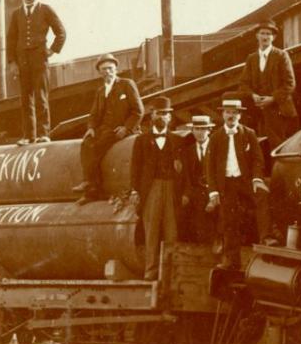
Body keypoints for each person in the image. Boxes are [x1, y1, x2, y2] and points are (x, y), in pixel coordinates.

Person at [205, 98, 270, 265]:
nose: (231, 116)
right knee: (229, 220)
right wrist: (213, 191)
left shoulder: (249, 134)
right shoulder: (215, 137)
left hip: (246, 180)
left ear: (240, 115)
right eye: (227, 112)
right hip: (226, 183)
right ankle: (232, 260)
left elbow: (258, 159)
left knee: (262, 196)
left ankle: (267, 238)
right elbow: (209, 166)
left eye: (234, 113)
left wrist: (256, 178)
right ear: (222, 114)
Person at [128, 96, 186, 279]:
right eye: (159, 113)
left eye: (166, 114)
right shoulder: (142, 140)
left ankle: (170, 272)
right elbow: (135, 167)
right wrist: (135, 190)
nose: (162, 117)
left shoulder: (178, 140)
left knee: (172, 231)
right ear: (152, 115)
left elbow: (185, 172)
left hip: (171, 189)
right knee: (151, 230)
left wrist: (183, 192)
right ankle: (151, 270)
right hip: (151, 188)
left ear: (170, 118)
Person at [5, 0, 66, 144]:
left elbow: (61, 32)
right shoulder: (16, 14)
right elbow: (11, 40)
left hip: (40, 60)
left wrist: (52, 50)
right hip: (22, 61)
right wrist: (12, 63)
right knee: (26, 99)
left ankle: (43, 133)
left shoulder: (46, 10)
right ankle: (28, 136)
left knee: (41, 97)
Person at [76, 54, 143, 202]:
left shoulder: (126, 84)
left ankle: (91, 189)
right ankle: (89, 183)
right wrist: (91, 128)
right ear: (100, 72)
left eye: (110, 68)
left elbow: (138, 111)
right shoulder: (100, 91)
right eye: (104, 69)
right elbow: (93, 114)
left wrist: (126, 128)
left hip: (121, 129)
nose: (107, 72)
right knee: (86, 144)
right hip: (104, 129)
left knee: (98, 147)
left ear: (116, 69)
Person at [240, 20, 297, 158]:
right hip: (258, 110)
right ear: (257, 36)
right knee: (254, 145)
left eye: (268, 34)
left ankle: (279, 177)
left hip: (279, 110)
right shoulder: (251, 58)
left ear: (273, 37)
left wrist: (272, 99)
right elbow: (243, 84)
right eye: (262, 33)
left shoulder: (281, 55)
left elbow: (290, 83)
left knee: (278, 146)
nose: (265, 37)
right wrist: (253, 95)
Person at [180, 113, 219, 247]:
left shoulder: (217, 148)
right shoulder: (187, 151)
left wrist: (213, 196)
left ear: (209, 130)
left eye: (203, 129)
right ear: (192, 131)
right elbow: (187, 177)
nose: (200, 132)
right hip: (195, 193)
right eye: (197, 129)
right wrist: (187, 194)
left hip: (214, 192)